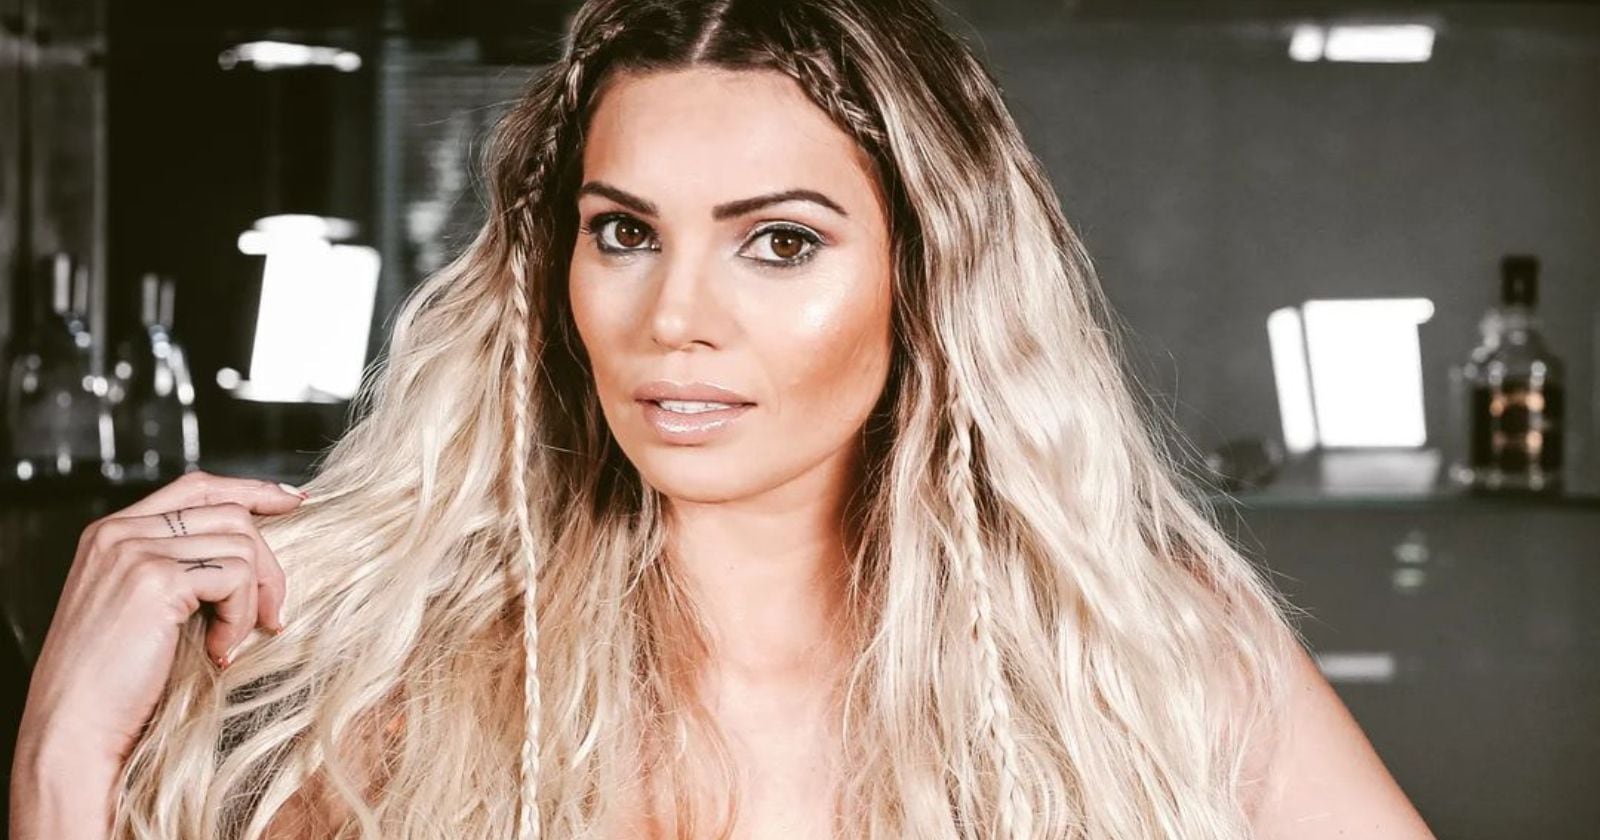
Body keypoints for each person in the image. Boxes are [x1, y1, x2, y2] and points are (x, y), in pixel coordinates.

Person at [11, 0, 1439, 838]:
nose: (672, 315)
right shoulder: (424, 703)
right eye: (625, 232)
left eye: (781, 242)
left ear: (927, 280)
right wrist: (62, 761)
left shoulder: (1143, 657)